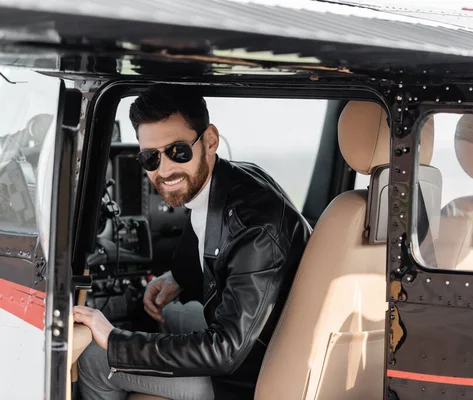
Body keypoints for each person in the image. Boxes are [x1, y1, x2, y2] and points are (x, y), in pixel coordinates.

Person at [73, 84, 312, 400]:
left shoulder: (255, 226)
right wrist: (176, 278)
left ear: (210, 140)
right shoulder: (226, 182)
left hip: (247, 377)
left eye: (178, 151)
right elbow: (212, 243)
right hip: (261, 342)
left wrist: (115, 340)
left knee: (92, 360)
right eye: (150, 158)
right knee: (167, 316)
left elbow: (224, 351)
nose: (166, 169)